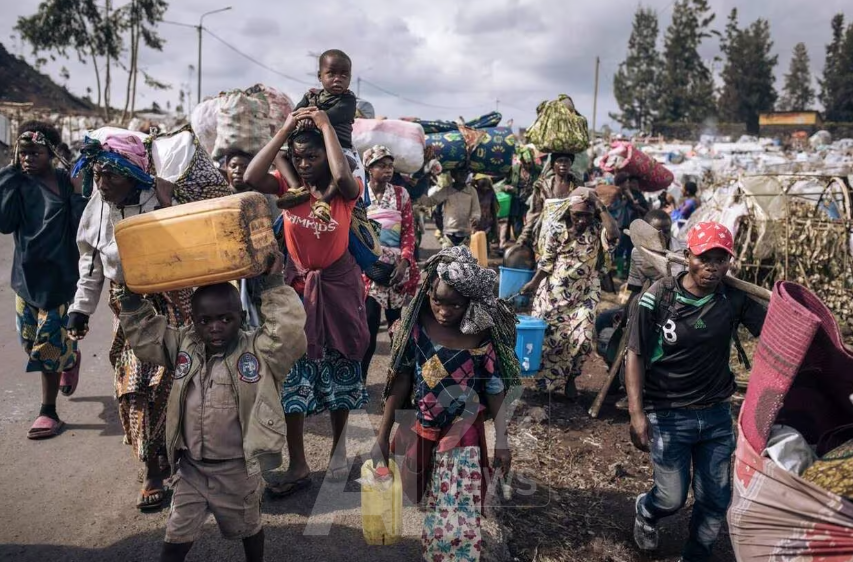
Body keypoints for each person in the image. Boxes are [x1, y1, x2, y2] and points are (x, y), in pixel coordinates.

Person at [67, 133, 227, 510]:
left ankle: (184, 461)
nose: (102, 183)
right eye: (97, 174)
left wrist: (170, 204)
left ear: (133, 174)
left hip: (175, 303)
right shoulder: (98, 208)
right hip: (128, 308)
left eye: (111, 175)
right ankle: (152, 467)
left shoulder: (163, 198)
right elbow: (91, 263)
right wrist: (80, 309)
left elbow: (199, 244)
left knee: (179, 384)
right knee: (134, 387)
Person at [117, 253, 306, 562]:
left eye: (225, 319)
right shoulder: (184, 345)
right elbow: (149, 337)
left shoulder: (260, 351)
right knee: (174, 539)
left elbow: (287, 331)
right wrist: (131, 299)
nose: (215, 327)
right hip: (192, 470)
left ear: (242, 317)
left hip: (238, 472)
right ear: (193, 321)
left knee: (249, 528)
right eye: (205, 321)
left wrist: (273, 283)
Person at [244, 106, 369, 493]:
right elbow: (251, 176)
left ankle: (338, 454)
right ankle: (298, 464)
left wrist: (326, 124)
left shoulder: (345, 193)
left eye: (312, 157)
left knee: (340, 370)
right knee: (293, 377)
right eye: (298, 158)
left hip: (339, 289)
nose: (303, 164)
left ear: (327, 157)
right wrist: (285, 128)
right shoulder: (289, 191)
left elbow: (342, 175)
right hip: (297, 291)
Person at [625, 222, 766, 562]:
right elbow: (635, 354)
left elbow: (773, 333)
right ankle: (646, 510)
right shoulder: (658, 297)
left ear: (729, 262)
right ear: (688, 256)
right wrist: (636, 413)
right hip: (668, 413)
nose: (712, 267)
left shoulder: (732, 298)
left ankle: (696, 554)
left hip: (716, 413)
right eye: (705, 259)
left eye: (721, 260)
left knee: (716, 499)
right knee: (671, 498)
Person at [375, 246, 518, 562]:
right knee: (420, 491)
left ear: (470, 302)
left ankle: (450, 554)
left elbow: (494, 388)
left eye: (455, 304)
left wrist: (502, 441)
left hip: (463, 428)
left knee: (456, 504)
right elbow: (401, 379)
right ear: (428, 293)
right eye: (437, 301)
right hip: (423, 423)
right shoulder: (416, 326)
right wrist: (382, 436)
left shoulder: (481, 335)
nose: (443, 311)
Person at [0, 122, 86, 439]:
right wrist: (9, 175)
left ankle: (48, 412)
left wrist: (77, 193)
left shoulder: (65, 182)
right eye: (22, 153)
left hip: (59, 281)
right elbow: (5, 223)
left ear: (51, 153)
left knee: (47, 348)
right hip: (25, 280)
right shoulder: (18, 182)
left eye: (35, 152)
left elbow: (81, 227)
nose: (27, 158)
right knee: (29, 343)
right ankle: (70, 358)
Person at [520, 187, 620, 399]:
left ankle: (571, 378)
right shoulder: (558, 230)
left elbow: (614, 234)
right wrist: (533, 283)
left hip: (585, 293)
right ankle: (546, 382)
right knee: (550, 338)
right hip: (554, 293)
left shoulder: (597, 230)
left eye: (587, 215)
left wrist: (598, 204)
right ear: (569, 212)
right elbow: (547, 262)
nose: (582, 220)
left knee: (582, 339)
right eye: (577, 215)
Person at [596, 210, 681, 409]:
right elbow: (635, 288)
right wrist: (624, 315)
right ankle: (616, 373)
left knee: (639, 341)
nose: (663, 236)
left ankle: (636, 387)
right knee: (604, 322)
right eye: (657, 232)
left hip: (673, 307)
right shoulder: (638, 252)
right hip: (644, 301)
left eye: (666, 230)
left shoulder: (682, 252)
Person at [361, 145, 420, 379]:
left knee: (397, 328)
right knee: (369, 326)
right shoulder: (359, 193)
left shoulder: (400, 194)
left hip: (395, 269)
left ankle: (399, 380)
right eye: (382, 166)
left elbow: (408, 232)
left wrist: (404, 262)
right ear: (369, 168)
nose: (388, 170)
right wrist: (365, 263)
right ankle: (360, 382)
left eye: (390, 166)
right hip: (369, 269)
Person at [293, 49, 362, 223]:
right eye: (331, 74)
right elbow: (295, 114)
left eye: (344, 75)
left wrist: (310, 118)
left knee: (348, 163)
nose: (338, 79)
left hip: (339, 147)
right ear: (320, 76)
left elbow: (332, 116)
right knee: (281, 155)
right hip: (313, 147)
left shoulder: (348, 100)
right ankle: (295, 188)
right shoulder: (310, 96)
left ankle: (324, 201)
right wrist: (302, 118)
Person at [516, 152, 577, 250]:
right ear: (552, 164)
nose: (563, 164)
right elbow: (534, 213)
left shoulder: (577, 185)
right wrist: (523, 236)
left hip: (571, 236)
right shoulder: (543, 186)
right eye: (559, 161)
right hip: (547, 235)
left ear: (571, 164)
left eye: (566, 161)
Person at [417, 167, 481, 249]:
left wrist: (476, 218)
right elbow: (430, 201)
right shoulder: (446, 190)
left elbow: (476, 209)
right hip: (449, 233)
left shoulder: (472, 191)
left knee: (463, 256)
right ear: (453, 174)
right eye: (460, 173)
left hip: (466, 232)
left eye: (465, 173)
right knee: (448, 255)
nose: (463, 175)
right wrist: (417, 191)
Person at [472, 173, 500, 249]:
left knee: (485, 247)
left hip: (486, 224)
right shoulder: (473, 192)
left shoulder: (490, 193)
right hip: (475, 225)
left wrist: (495, 229)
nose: (485, 188)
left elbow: (494, 211)